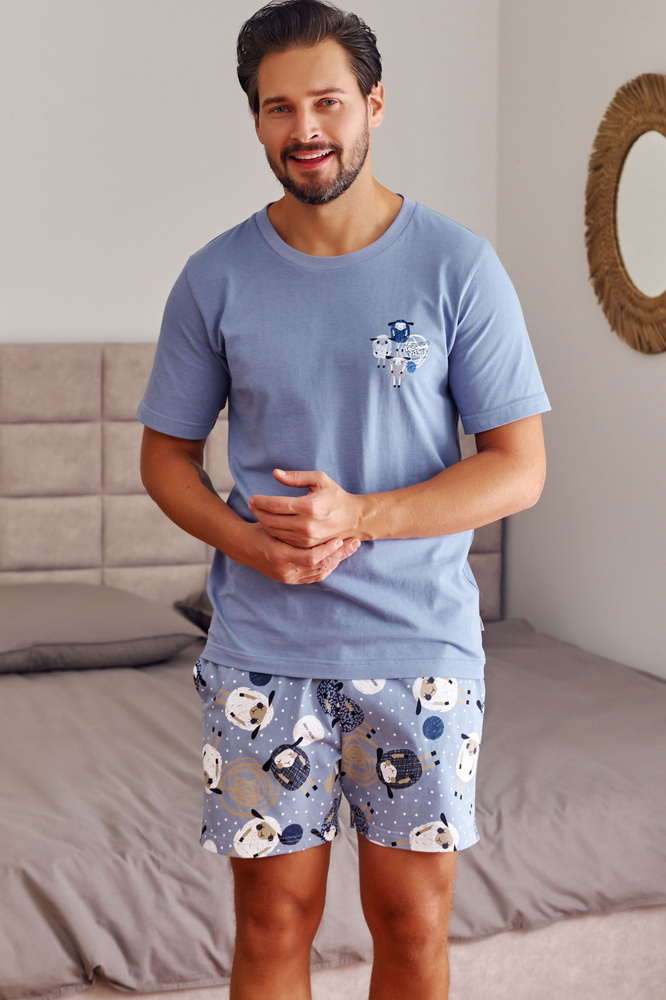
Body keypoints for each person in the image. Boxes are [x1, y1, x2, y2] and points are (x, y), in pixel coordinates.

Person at [138, 2, 550, 997]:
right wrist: (250, 543)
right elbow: (166, 460)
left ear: (374, 104)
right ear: (256, 119)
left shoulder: (459, 267)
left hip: (421, 657)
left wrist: (359, 515)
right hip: (258, 662)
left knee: (411, 923)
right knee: (271, 920)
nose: (305, 129)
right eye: (279, 107)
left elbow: (518, 467)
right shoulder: (214, 278)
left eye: (327, 102)